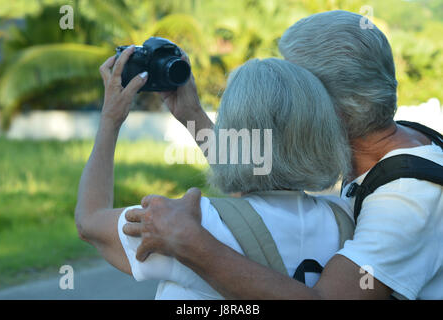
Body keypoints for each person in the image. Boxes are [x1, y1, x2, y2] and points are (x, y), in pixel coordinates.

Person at [123, 10, 443, 299]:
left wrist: (191, 243)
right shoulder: (385, 144)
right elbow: (260, 172)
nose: (284, 94)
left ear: (338, 108)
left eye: (295, 85)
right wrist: (191, 114)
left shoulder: (407, 200)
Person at [75, 50, 354, 298]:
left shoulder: (191, 224)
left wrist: (110, 120)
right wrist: (192, 116)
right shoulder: (347, 221)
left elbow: (89, 221)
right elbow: (257, 182)